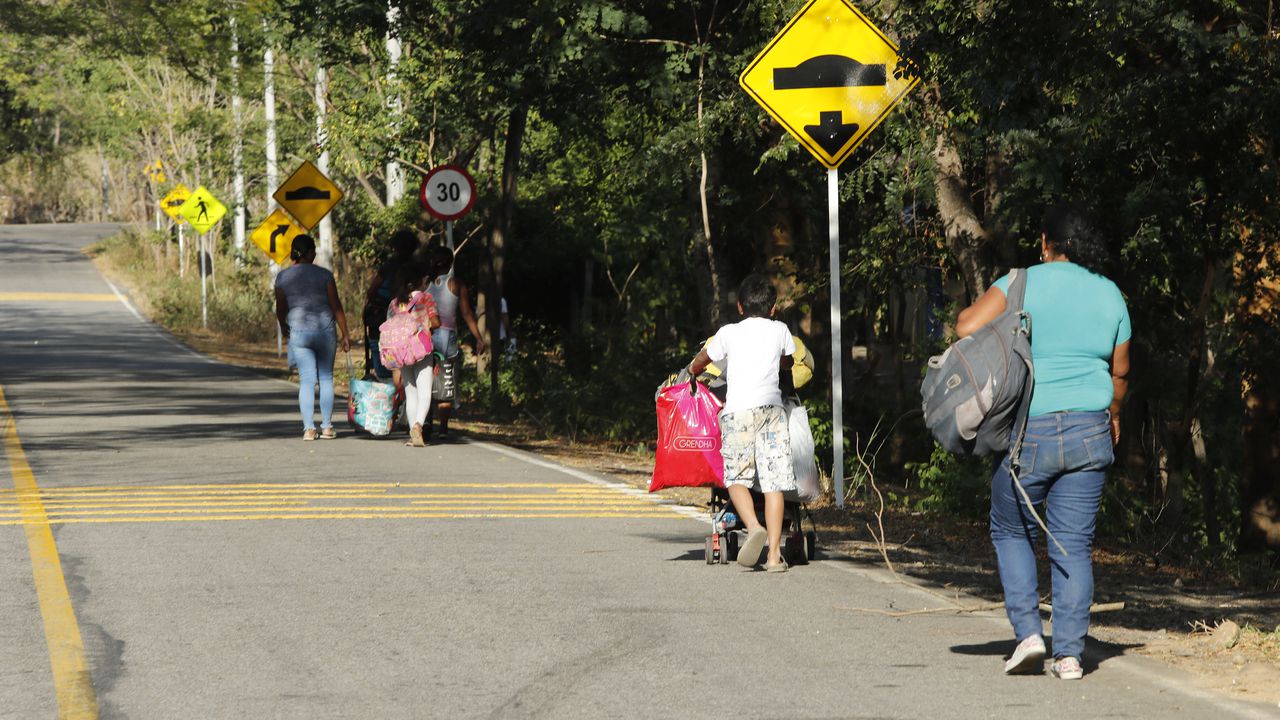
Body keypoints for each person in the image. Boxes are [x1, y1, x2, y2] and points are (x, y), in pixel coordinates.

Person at [955, 203, 1131, 681]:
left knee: (1012, 528)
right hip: (1092, 429)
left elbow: (965, 327)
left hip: (1030, 430)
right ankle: (1070, 655)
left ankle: (1030, 635)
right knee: (1073, 542)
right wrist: (1114, 413)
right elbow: (1120, 373)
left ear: (1046, 243)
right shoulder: (1111, 293)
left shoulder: (1021, 283)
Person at [688, 274, 796, 572]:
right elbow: (788, 361)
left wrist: (692, 370)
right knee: (774, 482)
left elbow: (703, 360)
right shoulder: (781, 330)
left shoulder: (728, 333)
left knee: (736, 477)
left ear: (739, 307)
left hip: (738, 412)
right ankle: (774, 556)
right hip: (772, 412)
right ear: (773, 308)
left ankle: (752, 525)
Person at [274, 234, 351, 441]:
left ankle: (309, 428)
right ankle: (326, 427)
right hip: (325, 329)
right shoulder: (324, 275)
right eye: (313, 250)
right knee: (326, 378)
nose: (315, 253)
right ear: (308, 253)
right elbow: (336, 306)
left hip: (298, 332)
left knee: (307, 380)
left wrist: (283, 327)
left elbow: (280, 308)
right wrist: (345, 333)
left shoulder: (283, 277)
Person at [424, 245, 486, 440]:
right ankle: (442, 429)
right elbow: (466, 313)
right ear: (451, 263)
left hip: (425, 336)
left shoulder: (424, 283)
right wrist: (478, 337)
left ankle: (426, 422)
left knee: (425, 379)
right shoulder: (456, 284)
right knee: (446, 380)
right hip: (446, 337)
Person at [384, 262, 441, 447]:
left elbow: (389, 325)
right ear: (419, 280)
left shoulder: (394, 302)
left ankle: (412, 434)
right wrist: (425, 325)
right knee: (425, 393)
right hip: (421, 350)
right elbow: (436, 322)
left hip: (400, 352)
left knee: (410, 392)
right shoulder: (426, 298)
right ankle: (418, 425)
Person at [364, 229, 419, 379]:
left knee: (381, 356)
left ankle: (388, 391)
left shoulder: (388, 267)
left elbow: (371, 291)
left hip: (381, 319)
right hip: (409, 323)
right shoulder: (418, 268)